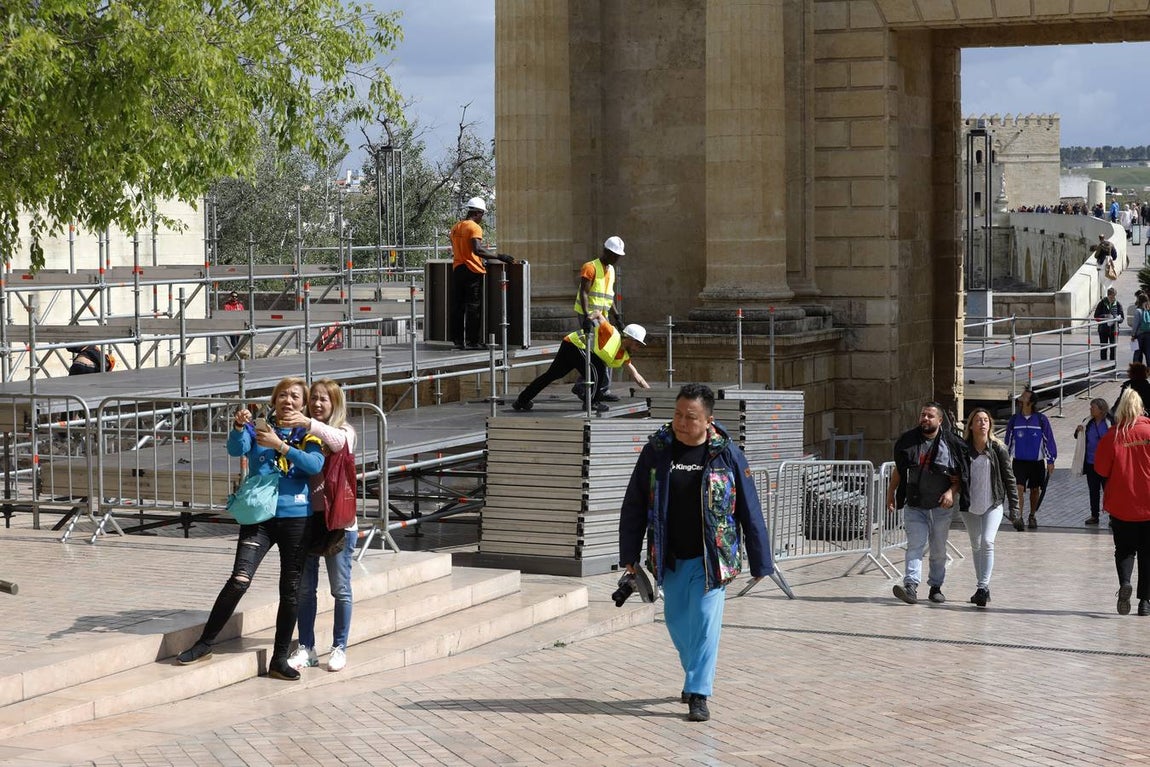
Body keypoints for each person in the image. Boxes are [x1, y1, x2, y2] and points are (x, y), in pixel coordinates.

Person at [618, 383, 773, 723]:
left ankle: (699, 692)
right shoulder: (657, 451)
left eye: (690, 417)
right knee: (676, 623)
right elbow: (634, 504)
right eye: (677, 414)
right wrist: (629, 554)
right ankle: (693, 673)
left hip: (712, 559)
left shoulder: (726, 453)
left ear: (708, 420)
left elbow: (750, 507)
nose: (681, 422)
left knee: (704, 625)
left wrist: (761, 559)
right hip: (670, 557)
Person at [176, 377, 325, 680]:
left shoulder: (309, 432)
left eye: (295, 396)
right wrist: (237, 426)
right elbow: (236, 449)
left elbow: (314, 465)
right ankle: (205, 642)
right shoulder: (259, 427)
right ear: (274, 399)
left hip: (296, 516)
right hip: (259, 516)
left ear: (304, 403)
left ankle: (279, 658)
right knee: (239, 579)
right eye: (282, 394)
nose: (288, 400)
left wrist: (281, 446)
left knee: (291, 588)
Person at [281, 378, 358, 673]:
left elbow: (338, 443)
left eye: (323, 399)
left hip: (338, 521)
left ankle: (339, 647)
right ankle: (306, 646)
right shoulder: (304, 432)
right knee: (304, 588)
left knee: (340, 588)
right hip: (307, 517)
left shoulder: (344, 431)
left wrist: (309, 423)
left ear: (335, 403)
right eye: (313, 398)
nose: (316, 404)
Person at [887, 402, 968, 606]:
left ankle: (936, 587)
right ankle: (911, 587)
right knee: (915, 545)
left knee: (938, 550)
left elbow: (959, 476)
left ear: (940, 420)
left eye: (930, 416)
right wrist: (891, 493)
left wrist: (951, 492)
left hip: (940, 507)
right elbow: (899, 469)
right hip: (915, 504)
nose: (925, 419)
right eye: (923, 415)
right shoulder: (908, 442)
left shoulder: (952, 444)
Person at [511, 321, 650, 413]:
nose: (638, 348)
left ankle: (522, 400)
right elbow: (597, 314)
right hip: (575, 344)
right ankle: (591, 402)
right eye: (637, 344)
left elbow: (636, 375)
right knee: (598, 371)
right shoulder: (611, 333)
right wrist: (588, 318)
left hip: (571, 344)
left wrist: (652, 394)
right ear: (630, 339)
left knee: (552, 375)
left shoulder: (624, 355)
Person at [1094, 389, 1150, 616]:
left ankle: (1125, 581)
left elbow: (1100, 469)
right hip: (1148, 505)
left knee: (1124, 550)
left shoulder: (1112, 435)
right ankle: (1145, 602)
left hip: (1121, 504)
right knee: (1148, 553)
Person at [962, 408, 1018, 608]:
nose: (982, 423)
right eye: (978, 420)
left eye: (986, 420)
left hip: (993, 503)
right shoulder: (963, 449)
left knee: (987, 542)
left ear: (990, 424)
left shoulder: (997, 448)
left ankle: (983, 587)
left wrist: (1015, 509)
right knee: (976, 545)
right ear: (971, 425)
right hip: (969, 505)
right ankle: (981, 588)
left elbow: (1009, 479)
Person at [449, 197, 515, 350]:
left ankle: (458, 340)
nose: (482, 218)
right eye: (482, 214)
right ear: (477, 212)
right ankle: (473, 341)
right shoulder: (474, 227)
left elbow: (460, 248)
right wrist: (499, 256)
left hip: (458, 268)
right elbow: (477, 249)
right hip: (472, 271)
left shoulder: (456, 227)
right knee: (473, 307)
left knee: (458, 306)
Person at [572, 236, 626, 402]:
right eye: (614, 255)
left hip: (603, 316)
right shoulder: (590, 267)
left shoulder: (610, 270)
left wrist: (617, 317)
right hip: (589, 315)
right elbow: (584, 293)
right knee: (601, 351)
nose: (616, 259)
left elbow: (609, 297)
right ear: (606, 251)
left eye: (618, 256)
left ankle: (593, 387)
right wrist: (588, 316)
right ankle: (597, 388)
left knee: (607, 350)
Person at [1004, 388, 1056, 531]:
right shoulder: (1014, 420)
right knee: (1018, 488)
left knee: (1035, 490)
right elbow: (1008, 441)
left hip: (1036, 462)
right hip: (1019, 461)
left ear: (1031, 402)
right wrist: (1004, 460)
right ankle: (1019, 518)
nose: (1021, 398)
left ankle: (1032, 515)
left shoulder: (1041, 419)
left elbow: (1048, 440)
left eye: (1024, 396)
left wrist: (1051, 460)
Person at [1074, 398, 1113, 526]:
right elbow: (1078, 436)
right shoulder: (1088, 422)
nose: (1090, 409)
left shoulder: (1110, 422)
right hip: (1091, 462)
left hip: (1106, 463)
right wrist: (1078, 430)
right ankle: (1094, 515)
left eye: (1093, 407)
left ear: (1101, 409)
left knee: (1109, 491)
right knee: (1093, 490)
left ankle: (1113, 517)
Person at [1093, 287, 1123, 362]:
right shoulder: (1102, 303)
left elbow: (1122, 318)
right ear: (1108, 295)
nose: (1113, 298)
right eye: (1112, 296)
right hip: (1103, 329)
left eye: (1114, 296)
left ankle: (1112, 365)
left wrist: (1118, 318)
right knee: (1103, 347)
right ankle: (1103, 364)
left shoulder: (1118, 304)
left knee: (1113, 348)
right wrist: (1105, 316)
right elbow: (1096, 316)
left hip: (1114, 330)